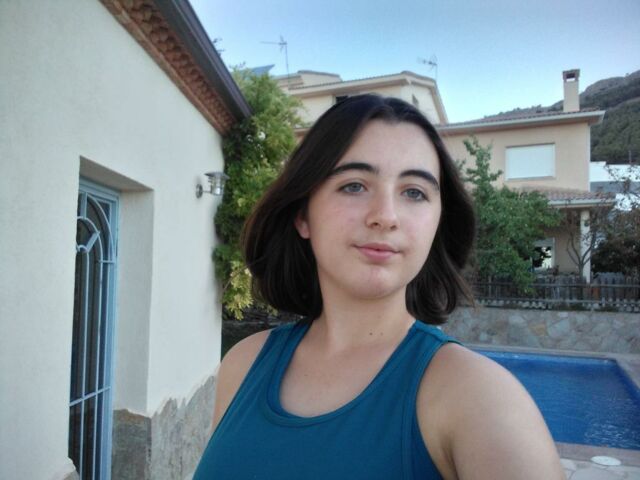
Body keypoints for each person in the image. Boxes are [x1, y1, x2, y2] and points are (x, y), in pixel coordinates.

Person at [194, 95, 565, 479]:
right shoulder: (243, 364)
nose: (385, 217)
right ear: (303, 215)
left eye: (414, 192)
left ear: (437, 223)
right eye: (354, 186)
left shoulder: (479, 398)